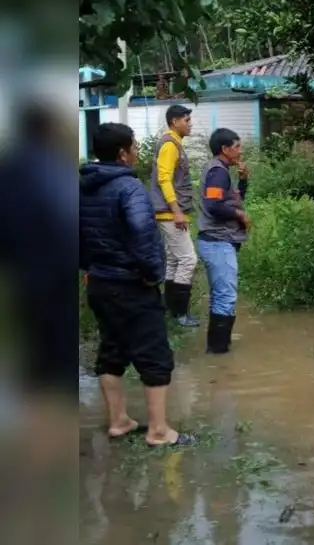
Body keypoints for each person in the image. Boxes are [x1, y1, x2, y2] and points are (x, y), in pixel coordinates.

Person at [79, 122, 193, 446]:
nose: (136, 152)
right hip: (130, 283)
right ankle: (158, 431)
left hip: (99, 283)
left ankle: (119, 421)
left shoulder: (82, 186)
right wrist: (154, 273)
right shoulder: (129, 188)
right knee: (154, 353)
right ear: (122, 153)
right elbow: (143, 234)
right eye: (133, 146)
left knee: (111, 351)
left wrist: (91, 266)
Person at [197, 128, 252, 354]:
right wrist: (240, 216)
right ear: (224, 149)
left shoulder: (222, 171)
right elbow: (214, 205)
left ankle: (217, 349)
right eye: (237, 146)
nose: (240, 150)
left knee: (220, 296)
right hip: (217, 242)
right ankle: (218, 352)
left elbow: (231, 200)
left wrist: (243, 181)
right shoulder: (217, 172)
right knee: (226, 297)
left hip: (217, 241)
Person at [147, 104, 200, 327]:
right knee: (188, 259)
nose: (190, 124)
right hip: (170, 213)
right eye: (186, 120)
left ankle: (171, 311)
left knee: (175, 261)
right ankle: (180, 314)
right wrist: (176, 211)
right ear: (174, 122)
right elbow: (164, 178)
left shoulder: (174, 143)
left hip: (168, 212)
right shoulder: (169, 144)